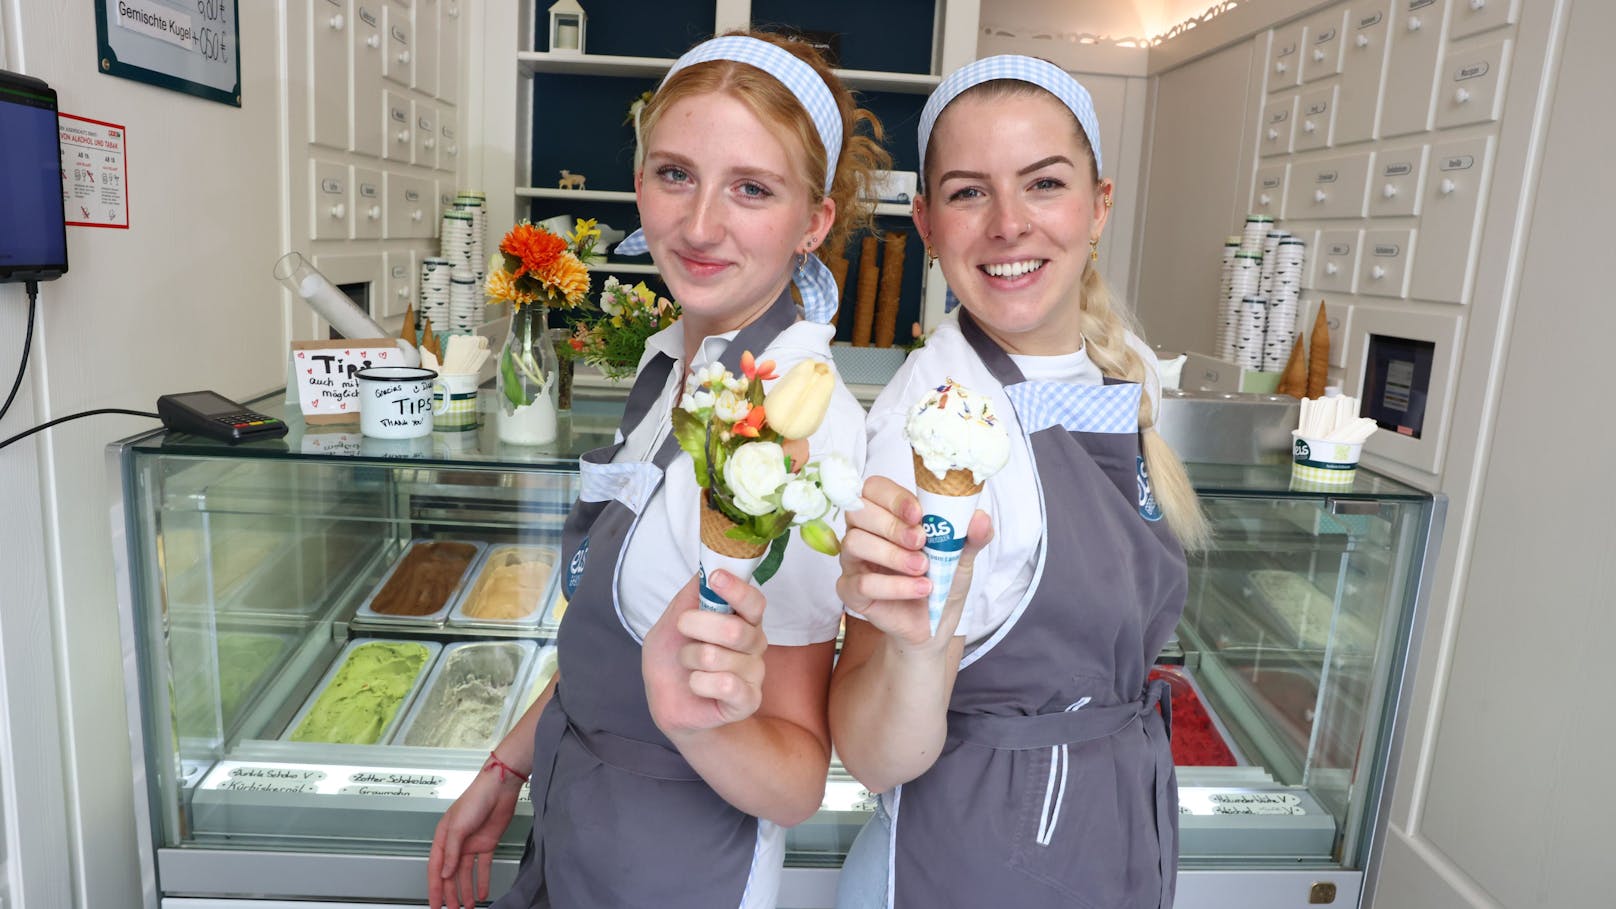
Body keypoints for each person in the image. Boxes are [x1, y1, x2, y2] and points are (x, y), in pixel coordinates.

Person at [426, 31, 889, 909]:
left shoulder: (797, 422)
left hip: (677, 867)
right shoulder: (671, 356)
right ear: (638, 182)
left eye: (751, 189)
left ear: (813, 222)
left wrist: (692, 724)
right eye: (676, 174)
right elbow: (623, 618)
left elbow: (795, 776)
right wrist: (511, 761)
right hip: (574, 812)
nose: (701, 223)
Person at [829, 56, 1210, 909]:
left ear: (1099, 204)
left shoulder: (1125, 370)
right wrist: (921, 642)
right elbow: (869, 748)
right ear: (926, 222)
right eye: (969, 193)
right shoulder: (931, 425)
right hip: (973, 862)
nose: (1009, 224)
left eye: (1043, 183)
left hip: (1105, 829)